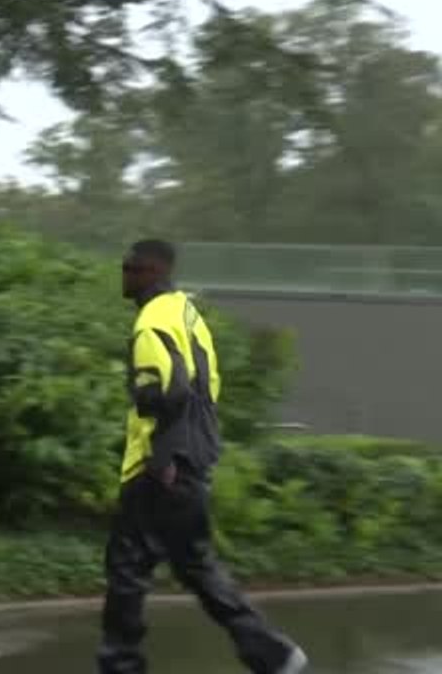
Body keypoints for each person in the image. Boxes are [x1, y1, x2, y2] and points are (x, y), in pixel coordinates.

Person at [96, 239, 308, 674]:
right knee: (195, 564)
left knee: (127, 568)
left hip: (160, 464)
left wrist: (161, 458)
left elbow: (168, 393)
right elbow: (206, 389)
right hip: (196, 456)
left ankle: (120, 665)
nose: (124, 275)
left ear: (151, 270)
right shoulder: (188, 315)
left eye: (129, 268)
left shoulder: (152, 320)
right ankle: (273, 654)